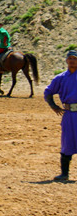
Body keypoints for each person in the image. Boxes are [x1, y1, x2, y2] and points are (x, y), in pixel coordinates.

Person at [42, 49, 77, 182]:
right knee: (67, 142)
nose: (72, 61)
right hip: (69, 114)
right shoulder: (61, 78)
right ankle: (64, 174)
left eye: (75, 58)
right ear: (67, 60)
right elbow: (48, 92)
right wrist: (54, 106)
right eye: (70, 58)